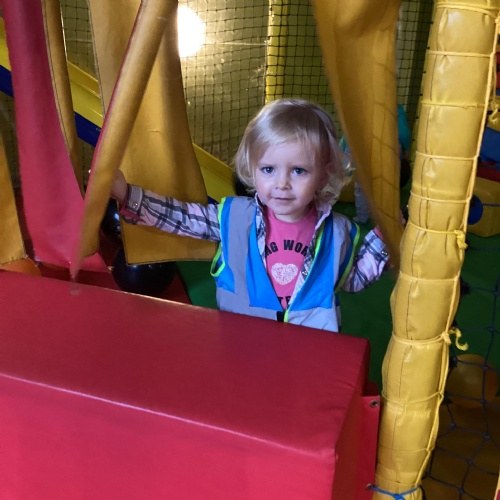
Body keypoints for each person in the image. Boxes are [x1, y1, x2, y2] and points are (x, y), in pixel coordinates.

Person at [111, 98, 390, 332]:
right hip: (244, 341)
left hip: (309, 348)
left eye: (298, 171)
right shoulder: (235, 218)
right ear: (253, 169)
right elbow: (182, 217)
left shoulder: (336, 231)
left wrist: (386, 238)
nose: (282, 184)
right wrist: (128, 196)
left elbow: (351, 280)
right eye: (268, 169)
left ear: (323, 175)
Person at [343, 103, 411, 224]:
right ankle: (387, 220)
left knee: (362, 186)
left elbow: (349, 132)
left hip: (363, 147)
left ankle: (362, 217)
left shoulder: (358, 105)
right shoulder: (394, 106)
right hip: (388, 148)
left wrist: (344, 150)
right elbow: (404, 133)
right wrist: (406, 147)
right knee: (388, 186)